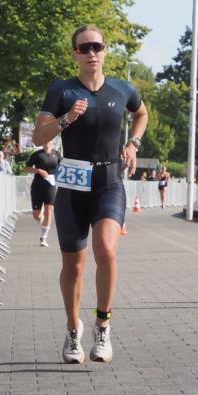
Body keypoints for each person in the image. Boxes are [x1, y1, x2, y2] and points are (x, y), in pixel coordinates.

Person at [33, 24, 148, 365]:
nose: (92, 53)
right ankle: (73, 329)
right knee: (74, 266)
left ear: (106, 50)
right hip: (72, 185)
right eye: (84, 48)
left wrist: (133, 143)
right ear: (75, 54)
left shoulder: (122, 89)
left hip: (109, 181)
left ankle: (103, 326)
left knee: (107, 251)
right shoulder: (62, 90)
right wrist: (66, 119)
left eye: (97, 46)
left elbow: (142, 113)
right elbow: (39, 136)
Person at [26, 139, 61, 246]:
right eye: (45, 141)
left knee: (49, 211)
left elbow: (62, 167)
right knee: (36, 215)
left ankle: (43, 238)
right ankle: (40, 218)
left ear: (52, 142)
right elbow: (27, 168)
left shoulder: (56, 154)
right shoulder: (37, 154)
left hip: (51, 185)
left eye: (49, 141)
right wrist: (38, 171)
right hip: (38, 185)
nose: (47, 142)